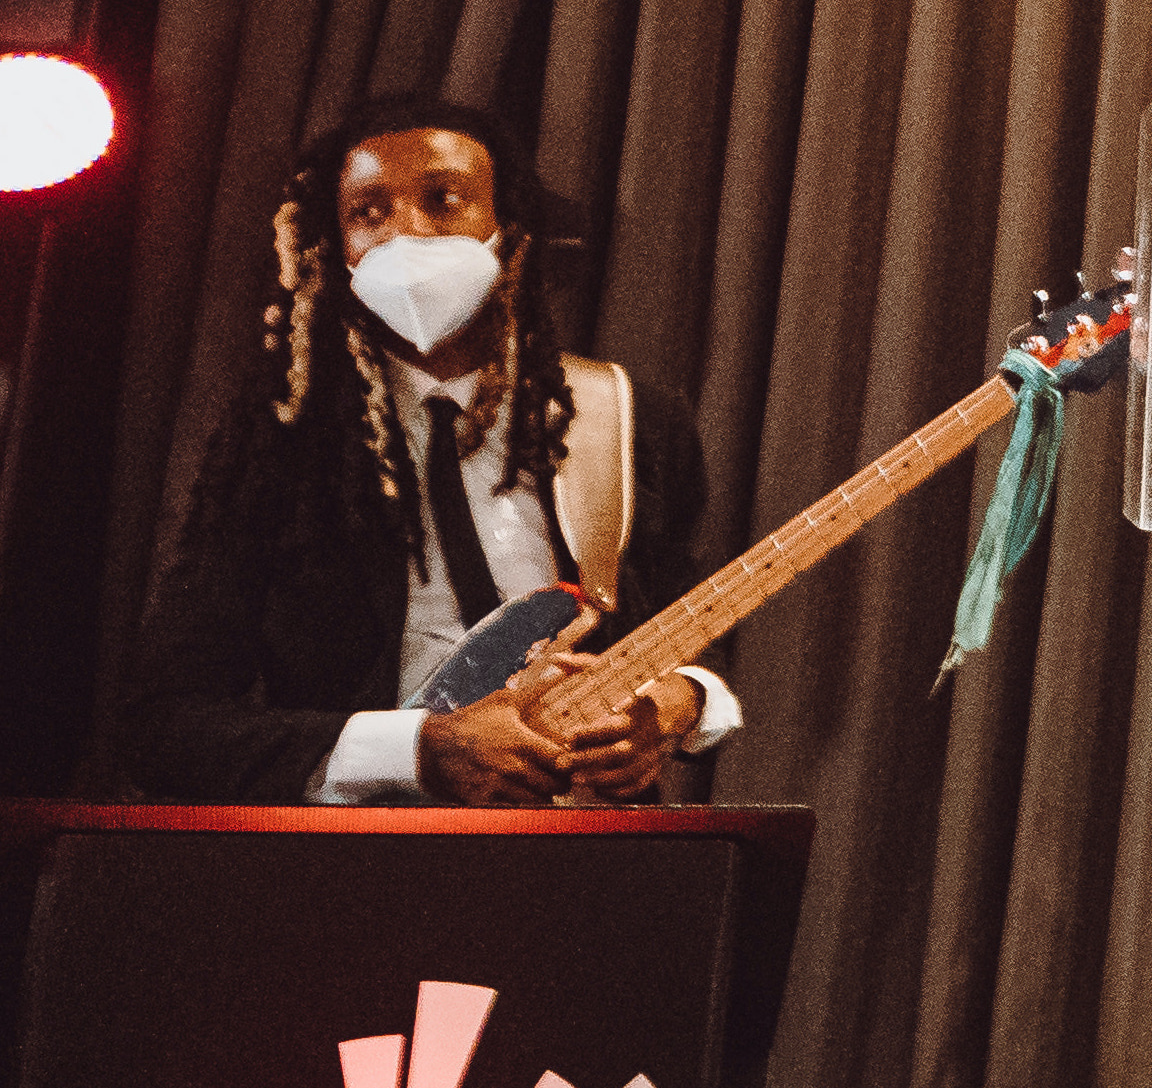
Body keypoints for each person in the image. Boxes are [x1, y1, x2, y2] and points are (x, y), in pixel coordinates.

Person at [122, 95, 737, 809]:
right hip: (365, 870)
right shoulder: (284, 446)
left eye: (443, 200)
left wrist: (676, 703)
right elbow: (163, 723)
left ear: (508, 230)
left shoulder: (627, 416)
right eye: (370, 211)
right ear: (337, 245)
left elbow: (691, 629)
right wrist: (414, 750)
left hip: (587, 862)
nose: (405, 235)